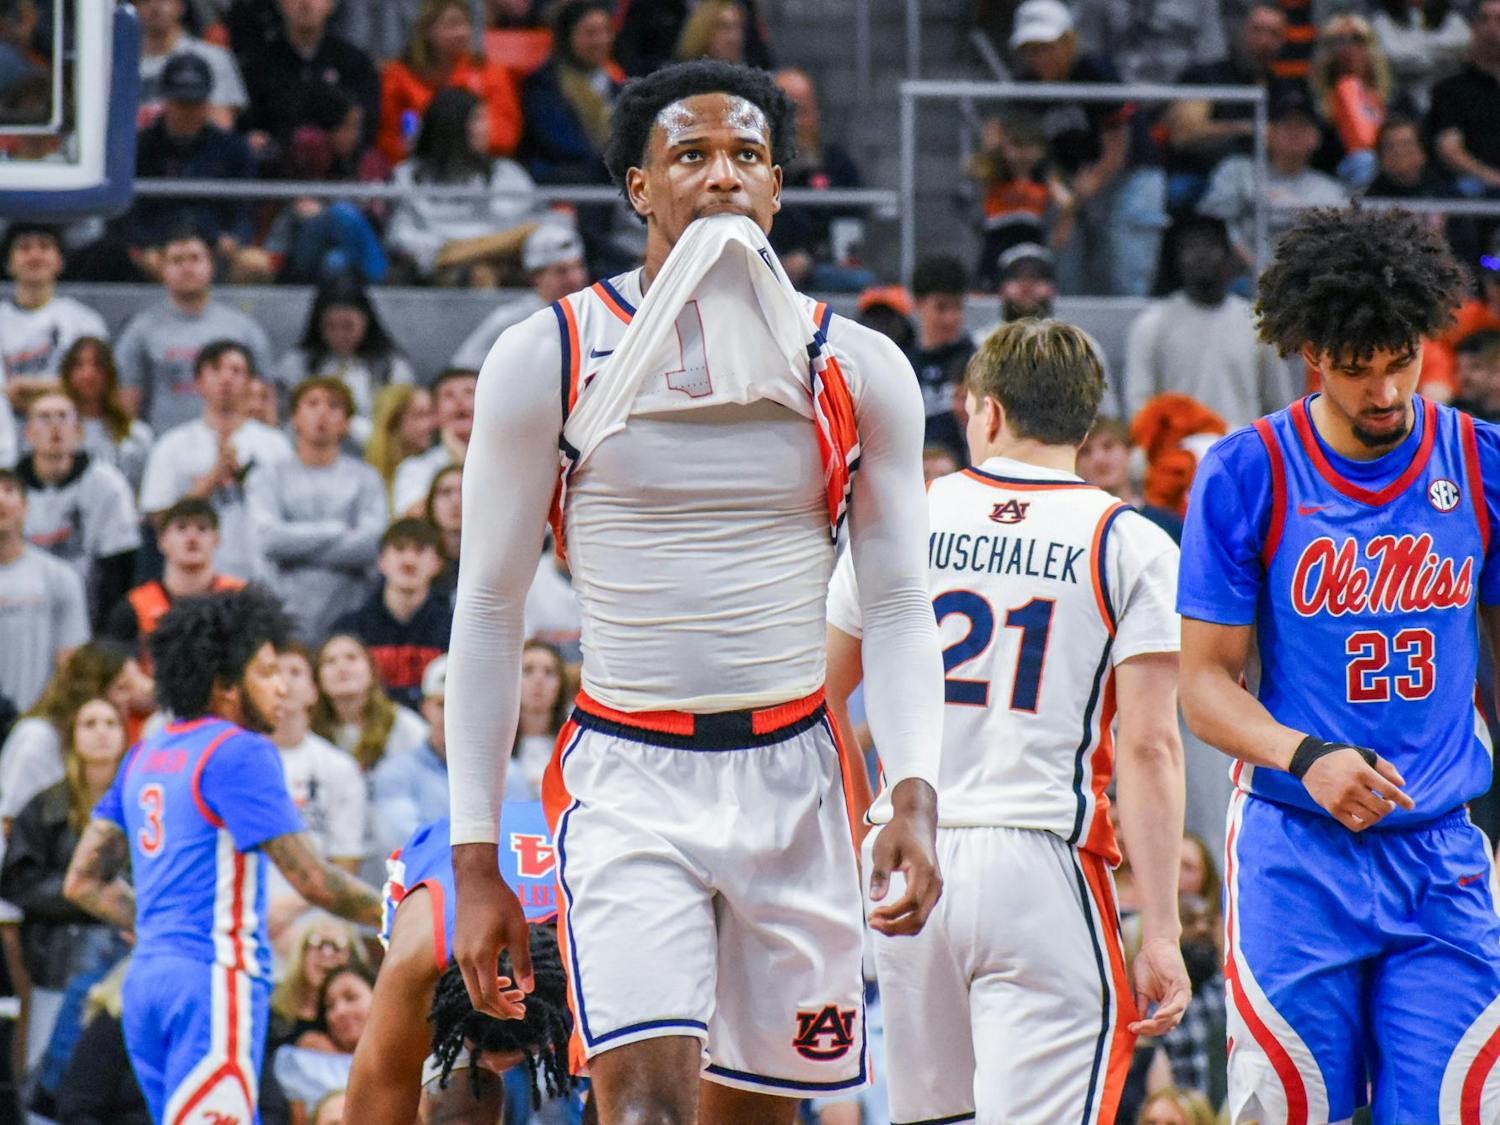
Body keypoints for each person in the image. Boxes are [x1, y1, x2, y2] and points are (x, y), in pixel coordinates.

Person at [447, 59, 943, 1121]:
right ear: (639, 187)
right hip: (630, 777)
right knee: (643, 1112)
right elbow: (488, 611)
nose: (721, 177)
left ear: (776, 188)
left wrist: (916, 794)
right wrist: (474, 855)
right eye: (691, 155)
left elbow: (899, 606)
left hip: (801, 776)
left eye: (747, 157)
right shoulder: (548, 353)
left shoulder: (857, 365)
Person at [1177, 205, 1500, 1123]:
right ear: (1311, 351)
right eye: (1359, 370)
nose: (1386, 390)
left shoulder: (1481, 464)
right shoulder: (1248, 471)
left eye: (1402, 359)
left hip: (1439, 851)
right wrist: (1306, 755)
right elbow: (1203, 684)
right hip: (1295, 850)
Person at [826, 319, 1189, 1123]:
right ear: (1089, 422)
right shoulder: (1130, 541)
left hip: (906, 855)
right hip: (1042, 859)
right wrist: (1159, 928)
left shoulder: (906, 514)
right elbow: (1152, 746)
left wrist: (858, 825)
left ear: (980, 412)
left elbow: (820, 696)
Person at [60, 587, 383, 1125]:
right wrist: (409, 911)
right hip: (212, 980)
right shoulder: (240, 750)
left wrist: (159, 924)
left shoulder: (146, 752)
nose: (282, 687)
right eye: (266, 672)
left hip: (145, 985)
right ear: (224, 684)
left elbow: (82, 882)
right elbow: (314, 881)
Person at [344, 815, 575, 1125]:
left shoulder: (598, 954)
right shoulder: (414, 964)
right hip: (446, 862)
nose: (499, 1067)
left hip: (568, 845)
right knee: (461, 1114)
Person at [0, 697, 130, 1081]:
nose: (102, 732)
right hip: (59, 951)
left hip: (126, 943)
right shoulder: (47, 805)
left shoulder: (143, 802)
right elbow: (17, 879)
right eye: (89, 723)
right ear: (72, 736)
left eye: (111, 723)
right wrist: (88, 898)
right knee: (49, 1064)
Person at [137, 341, 293, 583]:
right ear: (198, 382)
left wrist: (248, 482)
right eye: (216, 369)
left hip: (264, 576)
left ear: (251, 382)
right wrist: (211, 479)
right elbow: (158, 521)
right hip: (195, 582)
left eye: (236, 370)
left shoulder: (276, 446)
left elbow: (292, 515)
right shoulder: (172, 445)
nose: (226, 378)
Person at [248, 377, 388, 643]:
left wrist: (296, 551)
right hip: (283, 613)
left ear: (346, 423)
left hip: (351, 613)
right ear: (294, 418)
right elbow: (269, 540)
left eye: (334, 406)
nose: (322, 413)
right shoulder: (267, 476)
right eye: (312, 403)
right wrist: (335, 529)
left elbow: (370, 545)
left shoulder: (367, 478)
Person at [1124, 217, 1297, 429]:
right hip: (1178, 455)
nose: (1200, 255)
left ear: (1228, 256)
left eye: (1210, 246)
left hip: (1243, 453)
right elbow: (1139, 407)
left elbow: (1280, 406)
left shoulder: (1258, 323)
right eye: (1190, 248)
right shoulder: (1151, 324)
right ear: (1176, 259)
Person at [113, 229, 273, 435]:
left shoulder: (243, 329)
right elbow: (127, 401)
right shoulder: (140, 330)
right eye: (177, 260)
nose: (187, 268)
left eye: (195, 259)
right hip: (164, 450)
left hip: (233, 447)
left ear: (211, 266)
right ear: (162, 269)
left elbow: (266, 398)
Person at [385, 86, 543, 285]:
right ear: (452, 126)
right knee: (474, 273)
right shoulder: (407, 175)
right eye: (478, 119)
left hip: (502, 258)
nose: (487, 127)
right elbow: (400, 235)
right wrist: (448, 252)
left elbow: (528, 226)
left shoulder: (507, 173)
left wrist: (473, 249)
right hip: (436, 266)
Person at [126, 55, 259, 278]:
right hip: (157, 243)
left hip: (215, 244)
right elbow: (126, 213)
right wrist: (144, 246)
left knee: (254, 264)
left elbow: (246, 210)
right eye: (181, 103)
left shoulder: (233, 148)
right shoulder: (138, 147)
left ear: (207, 103)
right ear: (165, 101)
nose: (188, 111)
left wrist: (234, 238)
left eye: (195, 103)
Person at [17, 390, 141, 627]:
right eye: (44, 417)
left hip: (88, 612)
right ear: (29, 433)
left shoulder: (107, 485)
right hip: (20, 609)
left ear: (78, 432)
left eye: (63, 416)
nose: (55, 426)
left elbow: (121, 564)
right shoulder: (8, 489)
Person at [1197, 86, 1347, 274]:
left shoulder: (1329, 190)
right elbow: (1211, 225)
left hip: (1305, 282)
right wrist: (1256, 268)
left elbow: (1339, 240)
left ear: (1316, 138)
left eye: (1303, 125)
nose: (1294, 132)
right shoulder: (1237, 171)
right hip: (1239, 278)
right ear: (1267, 133)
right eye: (1284, 124)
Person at [1165, 4, 1296, 214]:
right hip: (1203, 176)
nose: (1264, 41)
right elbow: (1183, 134)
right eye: (1257, 30)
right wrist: (1246, 129)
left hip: (1271, 179)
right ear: (1241, 31)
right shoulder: (1205, 76)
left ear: (1283, 41)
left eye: (1274, 34)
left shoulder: (1287, 89)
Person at [274, 278, 416, 450]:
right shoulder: (296, 364)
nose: (339, 335)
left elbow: (401, 428)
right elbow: (281, 419)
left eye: (348, 326)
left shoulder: (392, 367)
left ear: (366, 322)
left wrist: (353, 426)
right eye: (331, 326)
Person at [376, 0, 523, 165]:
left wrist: (456, 142)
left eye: (466, 23)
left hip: (483, 166)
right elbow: (389, 138)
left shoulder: (489, 72)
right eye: (452, 25)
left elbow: (506, 134)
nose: (462, 32)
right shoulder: (398, 76)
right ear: (427, 29)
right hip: (418, 167)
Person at [238, 0, 381, 161]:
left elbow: (368, 122)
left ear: (332, 4)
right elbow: (244, 126)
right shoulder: (256, 65)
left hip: (341, 173)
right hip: (275, 174)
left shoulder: (355, 63)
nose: (306, 3)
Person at [330, 519, 451, 708]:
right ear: (381, 561)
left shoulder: (455, 630)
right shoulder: (350, 629)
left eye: (420, 551)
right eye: (399, 549)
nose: (409, 560)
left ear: (438, 563)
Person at [271, 644, 368, 876]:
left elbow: (347, 858)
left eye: (295, 672)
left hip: (319, 907)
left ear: (314, 691)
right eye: (274, 672)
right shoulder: (238, 761)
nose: (284, 682)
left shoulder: (339, 767)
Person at [103, 498, 244, 653]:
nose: (192, 537)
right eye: (181, 528)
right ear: (162, 541)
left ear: (216, 540)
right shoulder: (134, 607)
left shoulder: (240, 597)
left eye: (202, 528)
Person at [0, 469, 89, 714]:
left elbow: (70, 661)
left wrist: (40, 719)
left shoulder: (59, 577)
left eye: (9, 490)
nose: (1, 499)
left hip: (37, 721)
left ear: (26, 507)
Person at [450, 224, 589, 371]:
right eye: (561, 271)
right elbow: (461, 369)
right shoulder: (512, 319)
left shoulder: (593, 312)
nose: (576, 278)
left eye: (578, 267)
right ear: (536, 277)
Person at [519, 0, 624, 185]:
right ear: (568, 36)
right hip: (561, 176)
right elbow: (554, 141)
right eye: (591, 33)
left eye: (606, 31)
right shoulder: (544, 84)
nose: (602, 40)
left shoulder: (617, 86)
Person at [0, 224, 107, 405]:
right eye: (24, 248)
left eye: (44, 247)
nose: (35, 256)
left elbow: (96, 383)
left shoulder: (84, 320)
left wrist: (29, 387)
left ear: (60, 261)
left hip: (68, 424)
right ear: (8, 264)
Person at [369, 654, 451, 861]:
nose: (452, 713)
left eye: (463, 705)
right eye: (442, 704)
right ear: (425, 707)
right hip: (419, 886)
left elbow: (516, 842)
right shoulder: (395, 772)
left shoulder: (506, 773)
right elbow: (402, 841)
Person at [311, 632, 430, 770]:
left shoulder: (403, 725)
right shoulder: (310, 731)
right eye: (330, 661)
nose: (341, 667)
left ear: (372, 671)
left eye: (351, 658)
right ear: (317, 679)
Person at [273, 963, 375, 1117]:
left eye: (351, 997)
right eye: (330, 1006)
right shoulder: (306, 1063)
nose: (340, 1011)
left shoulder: (411, 1057)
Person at [58, 338, 154, 494]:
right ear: (67, 374)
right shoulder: (54, 433)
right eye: (78, 365)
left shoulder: (138, 435)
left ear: (110, 374)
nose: (88, 374)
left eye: (97, 365)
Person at [1309, 13, 1394, 188]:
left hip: (1388, 178)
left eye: (1357, 40)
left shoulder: (1395, 101)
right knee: (1364, 160)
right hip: (1329, 180)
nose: (1348, 48)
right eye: (1338, 41)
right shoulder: (1309, 101)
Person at [135, 0, 246, 130]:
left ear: (181, 5)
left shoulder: (212, 58)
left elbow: (221, 128)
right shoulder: (116, 63)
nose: (155, 6)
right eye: (145, 1)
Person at [1426, 0, 1500, 196]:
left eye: (1499, 20)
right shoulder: (1449, 90)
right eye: (1484, 20)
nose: (1492, 28)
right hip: (1474, 185)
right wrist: (1491, 177)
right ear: (1473, 29)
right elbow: (1449, 149)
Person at [907, 254, 974, 466]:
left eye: (957, 307)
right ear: (917, 304)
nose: (950, 318)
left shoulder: (977, 363)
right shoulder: (901, 363)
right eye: (941, 307)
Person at [268, 912, 361, 1050]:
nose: (327, 954)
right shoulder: (273, 1003)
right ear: (302, 952)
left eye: (337, 946)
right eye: (318, 944)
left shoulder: (351, 1015)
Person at [391, 367, 475, 515]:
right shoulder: (415, 468)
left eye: (469, 392)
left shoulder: (507, 458)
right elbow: (412, 520)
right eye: (449, 395)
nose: (460, 402)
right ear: (435, 414)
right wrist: (459, 464)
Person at [1372, 0, 1470, 112]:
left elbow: (1462, 44)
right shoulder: (1383, 21)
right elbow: (1397, 58)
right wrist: (1441, 55)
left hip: (1447, 100)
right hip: (1402, 103)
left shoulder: (1450, 18)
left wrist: (1416, 48)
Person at [365, 384, 436, 503]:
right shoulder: (369, 475)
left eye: (432, 413)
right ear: (394, 422)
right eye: (420, 415)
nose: (432, 424)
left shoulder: (435, 464)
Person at [425, 464, 462, 594]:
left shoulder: (492, 558)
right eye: (446, 492)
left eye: (464, 491)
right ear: (431, 504)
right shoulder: (418, 554)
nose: (455, 501)